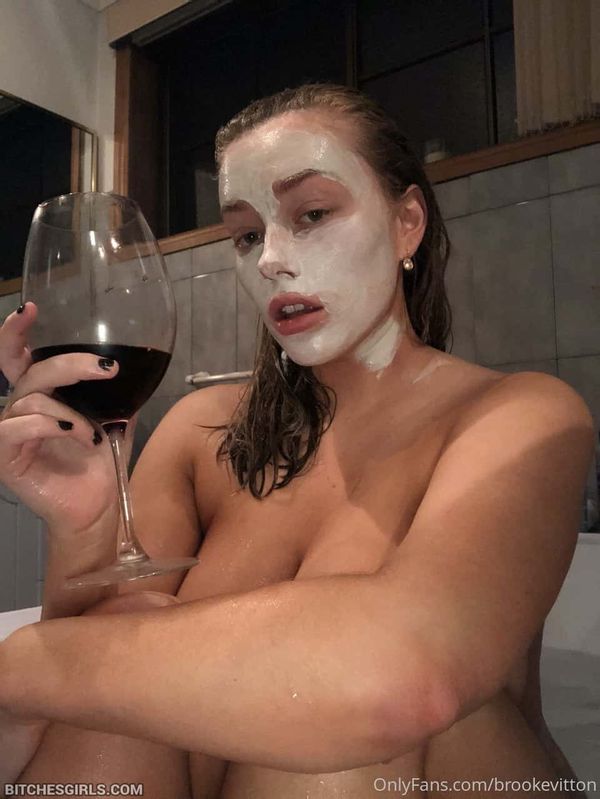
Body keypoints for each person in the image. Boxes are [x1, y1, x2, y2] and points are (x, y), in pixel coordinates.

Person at [0, 83, 595, 798]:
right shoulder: (201, 433)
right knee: (125, 649)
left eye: (312, 214)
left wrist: (15, 664)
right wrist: (85, 529)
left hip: (455, 771)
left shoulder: (517, 417)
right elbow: (82, 688)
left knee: (339, 717)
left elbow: (401, 682)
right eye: (247, 235)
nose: (270, 260)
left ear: (407, 223)